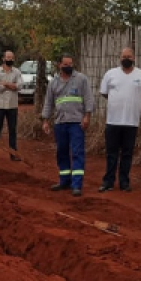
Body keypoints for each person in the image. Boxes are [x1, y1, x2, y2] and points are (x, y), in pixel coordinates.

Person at [98, 47, 141, 193]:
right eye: (123, 56)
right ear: (120, 58)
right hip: (113, 121)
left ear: (134, 58)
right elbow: (104, 93)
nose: (126, 59)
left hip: (131, 121)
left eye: (129, 56)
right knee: (111, 153)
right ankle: (108, 182)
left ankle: (124, 182)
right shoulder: (110, 74)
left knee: (127, 154)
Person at [42, 54, 94, 197]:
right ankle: (64, 180)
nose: (68, 66)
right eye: (65, 64)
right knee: (62, 152)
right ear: (59, 65)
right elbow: (48, 102)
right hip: (60, 122)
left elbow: (89, 99)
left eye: (70, 63)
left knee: (77, 152)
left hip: (77, 122)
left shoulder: (81, 79)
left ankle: (76, 185)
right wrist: (45, 120)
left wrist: (87, 116)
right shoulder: (53, 82)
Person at [0, 50, 22, 161]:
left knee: (12, 130)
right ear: (3, 58)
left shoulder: (17, 72)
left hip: (12, 105)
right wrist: (11, 85)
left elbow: (20, 86)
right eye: (7, 57)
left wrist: (5, 84)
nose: (9, 59)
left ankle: (13, 154)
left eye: (11, 57)